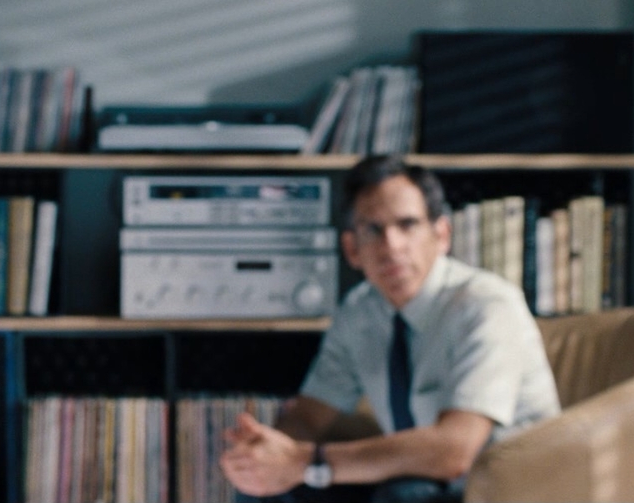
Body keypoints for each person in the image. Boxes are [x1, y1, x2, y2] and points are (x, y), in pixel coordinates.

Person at [220, 155, 561, 503]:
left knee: (402, 495)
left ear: (441, 235)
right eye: (373, 230)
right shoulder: (360, 311)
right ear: (352, 249)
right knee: (265, 490)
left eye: (408, 224)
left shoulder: (486, 305)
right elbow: (310, 415)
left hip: (504, 487)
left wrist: (309, 461)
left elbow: (454, 452)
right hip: (418, 479)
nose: (391, 246)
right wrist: (266, 453)